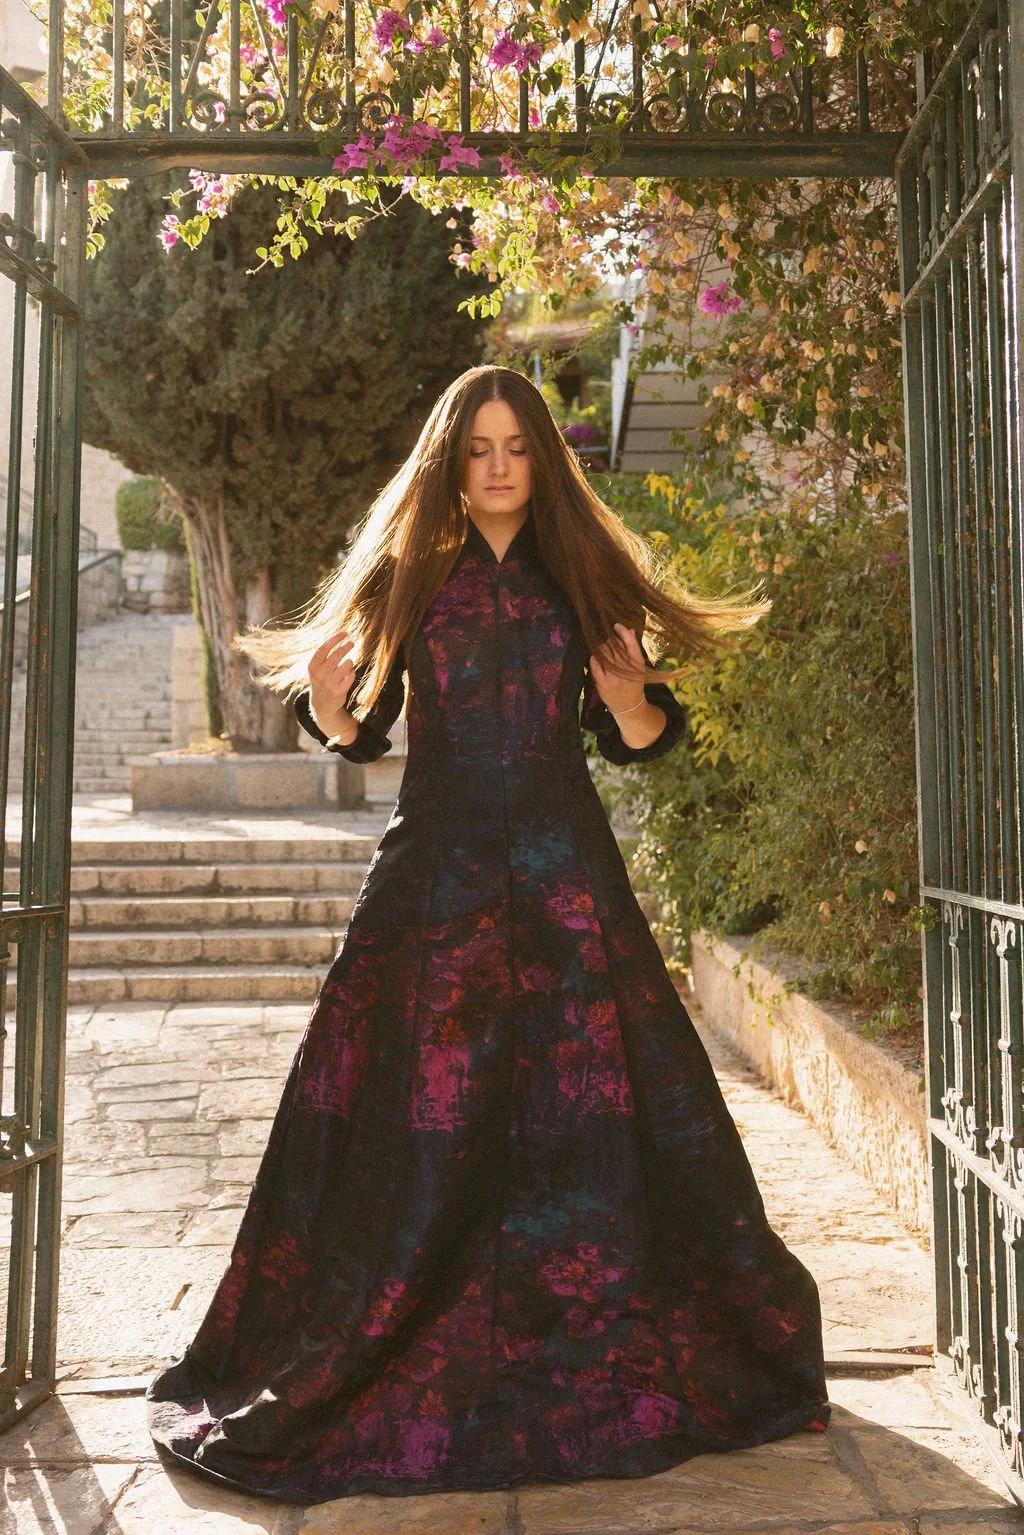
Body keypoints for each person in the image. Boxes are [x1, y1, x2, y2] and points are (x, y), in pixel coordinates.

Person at [146, 364, 831, 1505]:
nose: (500, 464)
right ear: (450, 461)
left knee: (600, 1111)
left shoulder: (583, 569)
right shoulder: (412, 574)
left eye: (517, 445)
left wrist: (626, 701)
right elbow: (357, 731)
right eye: (479, 448)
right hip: (434, 884)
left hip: (570, 881)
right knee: (413, 1115)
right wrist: (322, 706)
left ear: (542, 458)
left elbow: (646, 737)